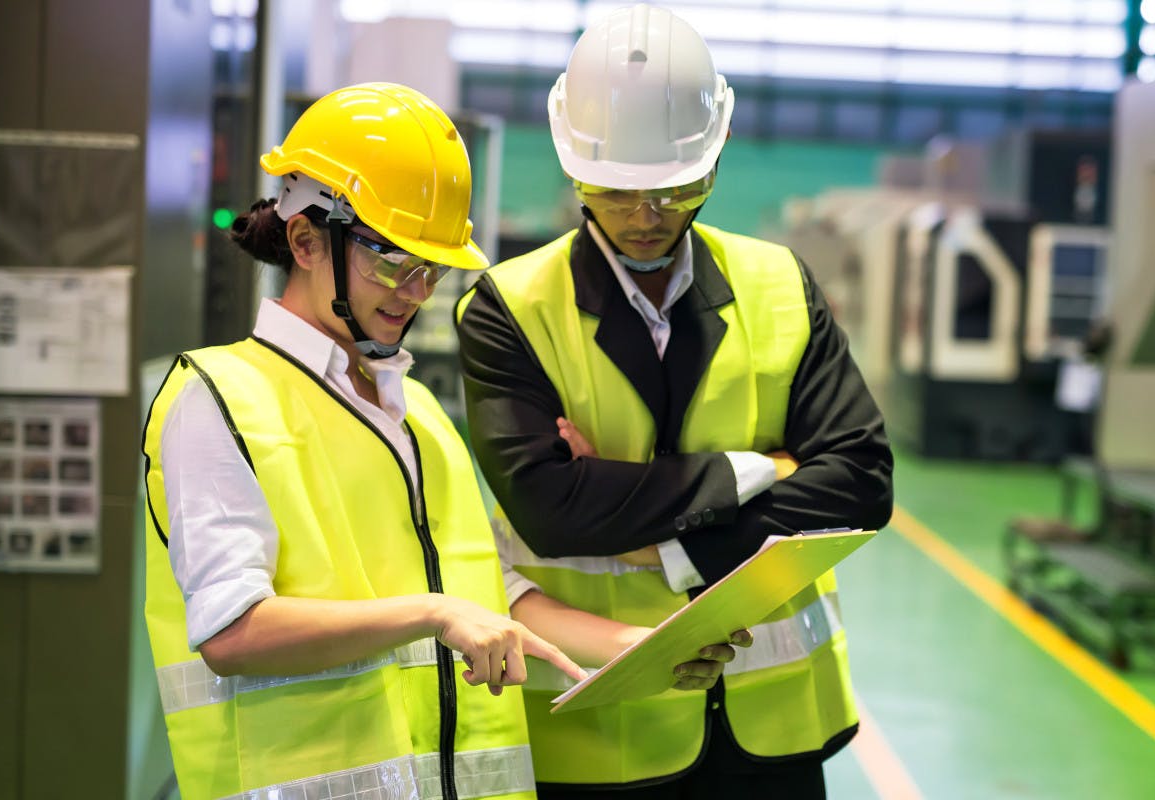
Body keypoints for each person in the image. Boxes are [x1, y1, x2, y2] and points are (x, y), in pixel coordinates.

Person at [141, 82, 745, 800]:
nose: (414, 292)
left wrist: (635, 647)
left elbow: (486, 594)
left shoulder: (418, 410)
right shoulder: (218, 399)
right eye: (392, 262)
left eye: (430, 270)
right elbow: (232, 633)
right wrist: (433, 613)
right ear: (305, 242)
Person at [454, 6, 895, 799]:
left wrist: (661, 547)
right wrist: (759, 470)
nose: (645, 217)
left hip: (775, 731)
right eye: (617, 191)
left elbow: (861, 481)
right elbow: (549, 510)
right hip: (606, 736)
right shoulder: (508, 308)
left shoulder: (779, 285)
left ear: (714, 158)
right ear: (574, 167)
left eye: (673, 189)